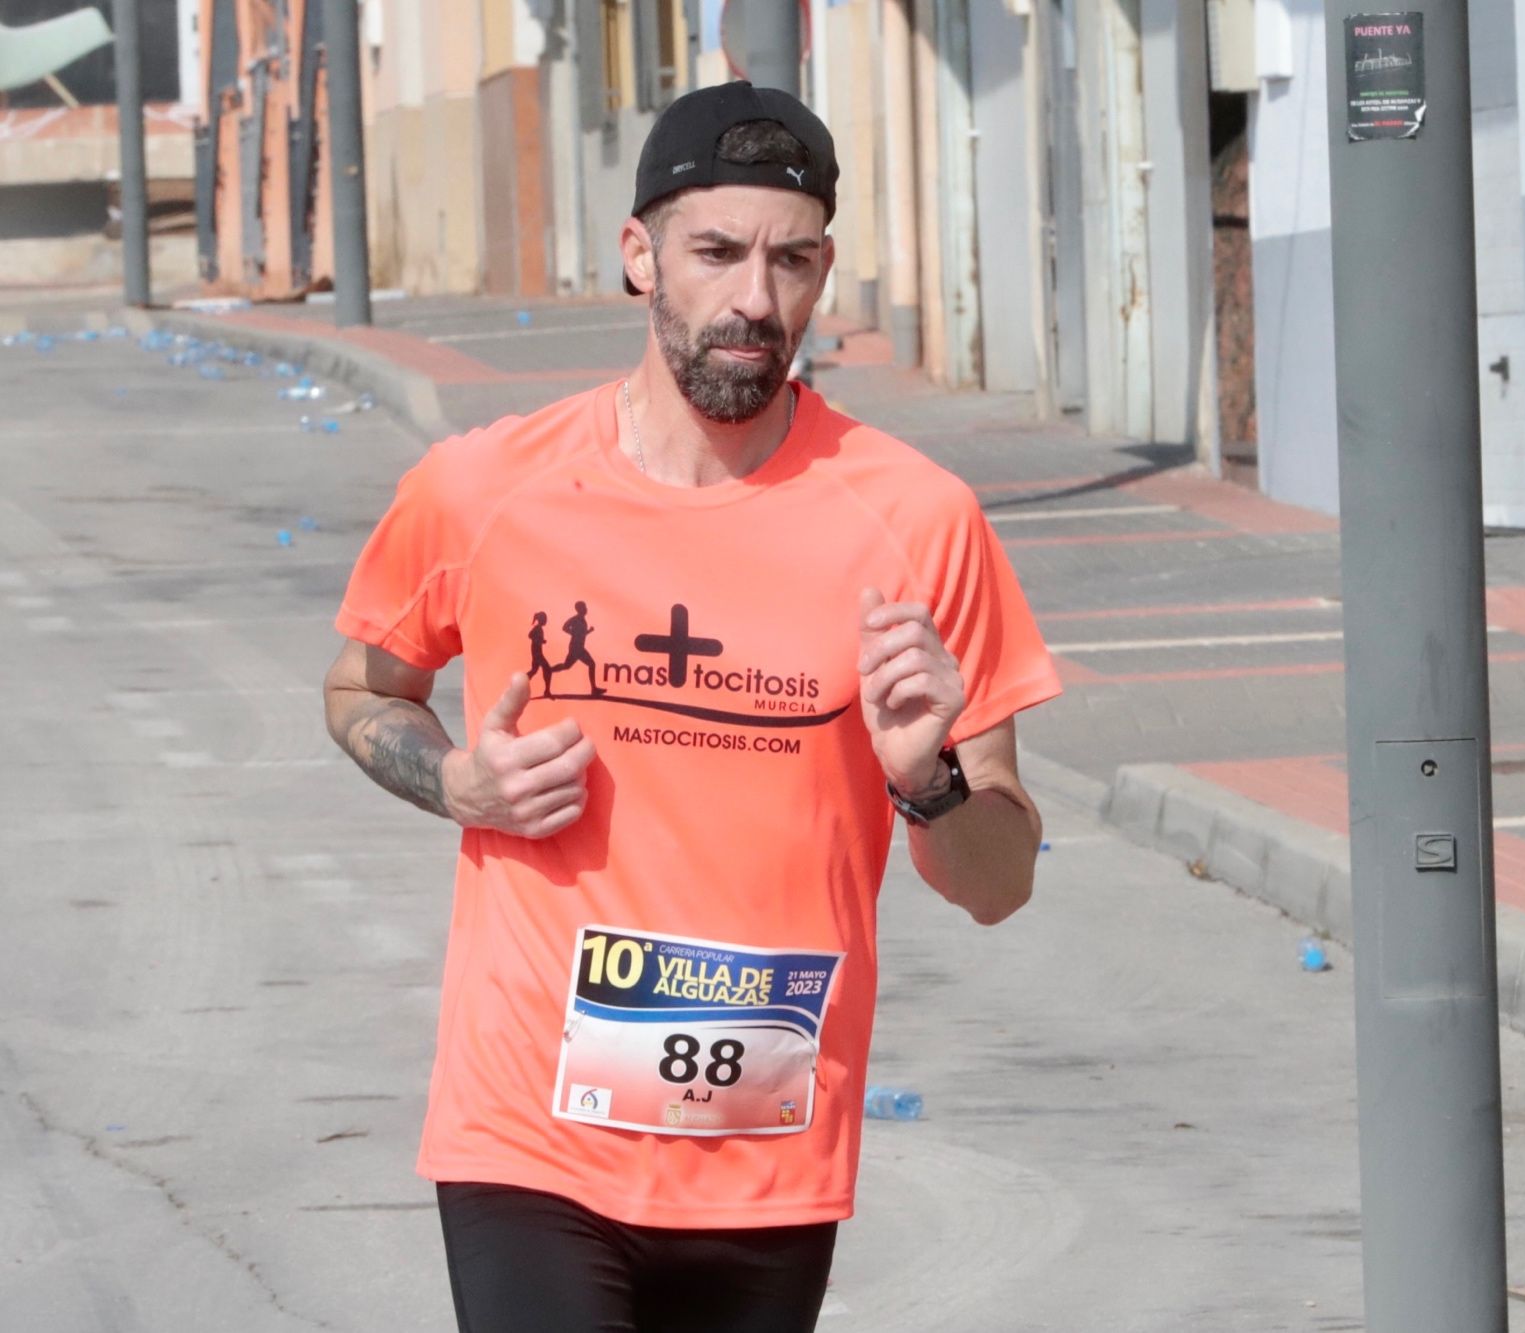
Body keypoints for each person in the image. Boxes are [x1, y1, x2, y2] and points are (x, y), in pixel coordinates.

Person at [321, 81, 1060, 1333]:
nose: (755, 302)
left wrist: (922, 776)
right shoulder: (486, 489)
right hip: (527, 1136)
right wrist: (451, 780)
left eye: (793, 260)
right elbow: (359, 687)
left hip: (767, 1142)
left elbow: (997, 881)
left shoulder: (916, 520)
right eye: (716, 253)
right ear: (638, 257)